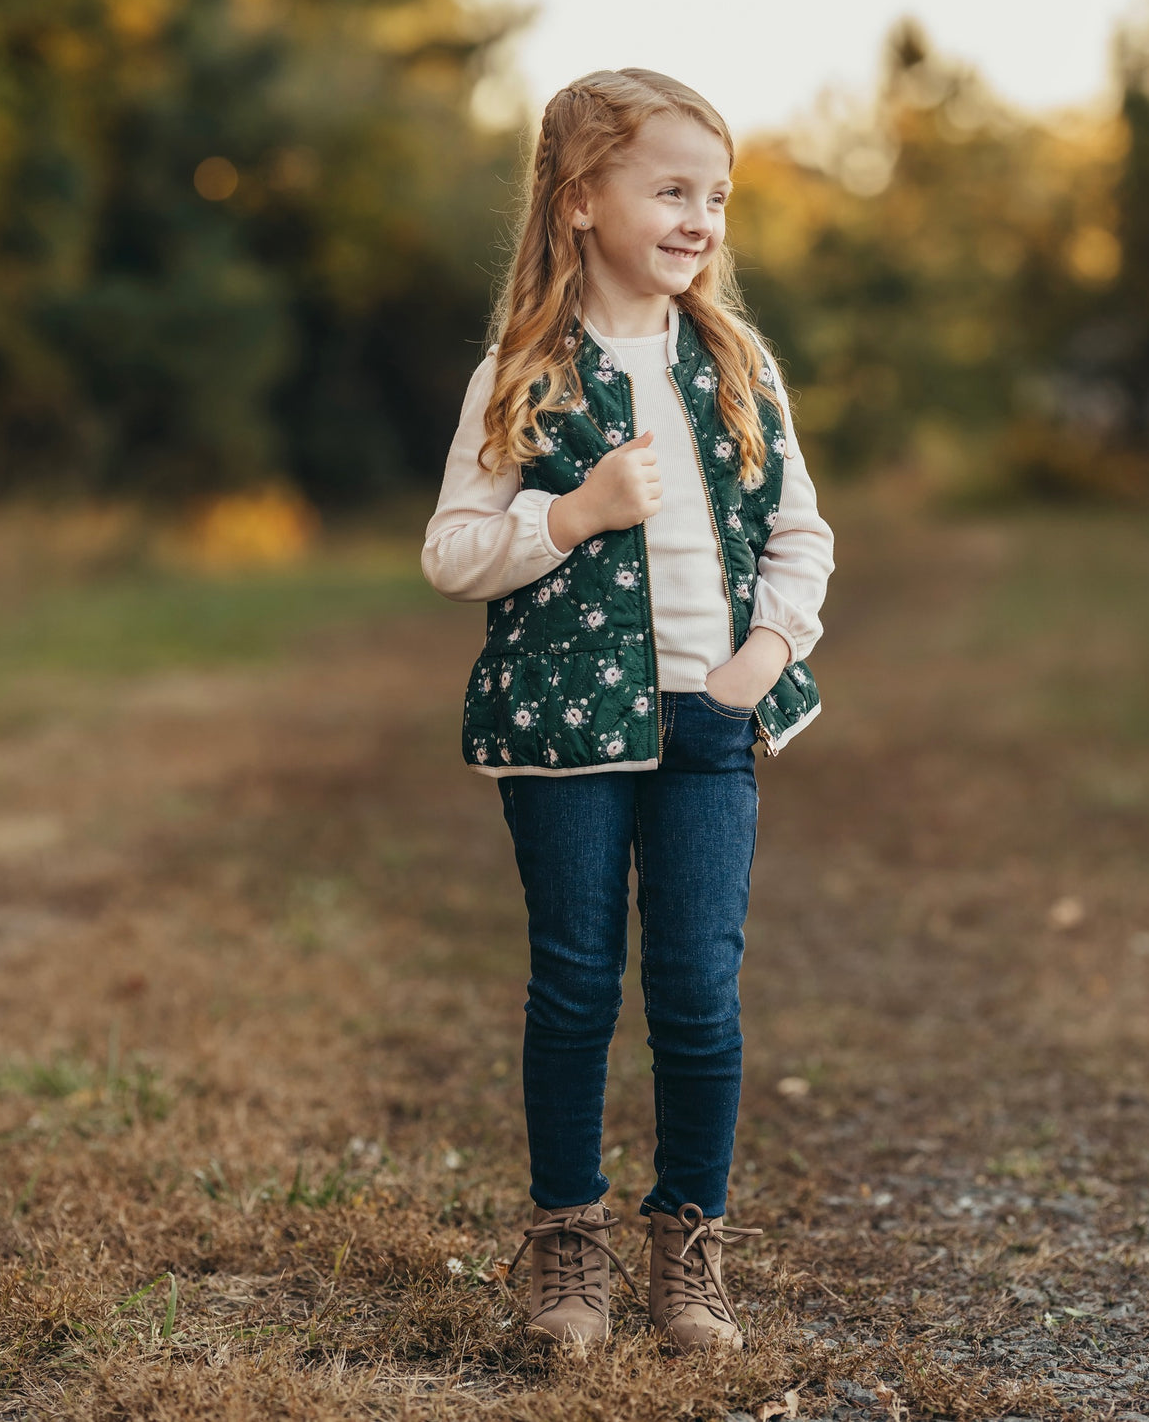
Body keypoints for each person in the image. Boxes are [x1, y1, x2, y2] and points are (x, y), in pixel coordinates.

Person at [421, 68, 834, 1352]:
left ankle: (688, 1250)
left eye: (715, 195)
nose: (701, 217)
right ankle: (565, 1252)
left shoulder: (735, 360)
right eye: (671, 188)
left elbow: (800, 533)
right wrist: (575, 514)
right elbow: (450, 550)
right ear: (584, 198)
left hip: (710, 728)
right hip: (567, 730)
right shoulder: (524, 371)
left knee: (701, 993)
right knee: (575, 986)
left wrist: (767, 651)